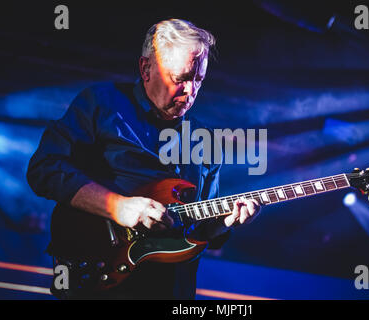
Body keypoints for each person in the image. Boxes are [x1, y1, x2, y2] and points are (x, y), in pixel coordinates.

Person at [26, 19, 261, 299]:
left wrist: (226, 220)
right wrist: (117, 206)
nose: (191, 91)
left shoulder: (205, 139)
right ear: (146, 68)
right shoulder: (101, 103)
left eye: (198, 79)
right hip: (97, 278)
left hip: (171, 289)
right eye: (181, 78)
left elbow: (199, 227)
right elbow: (45, 169)